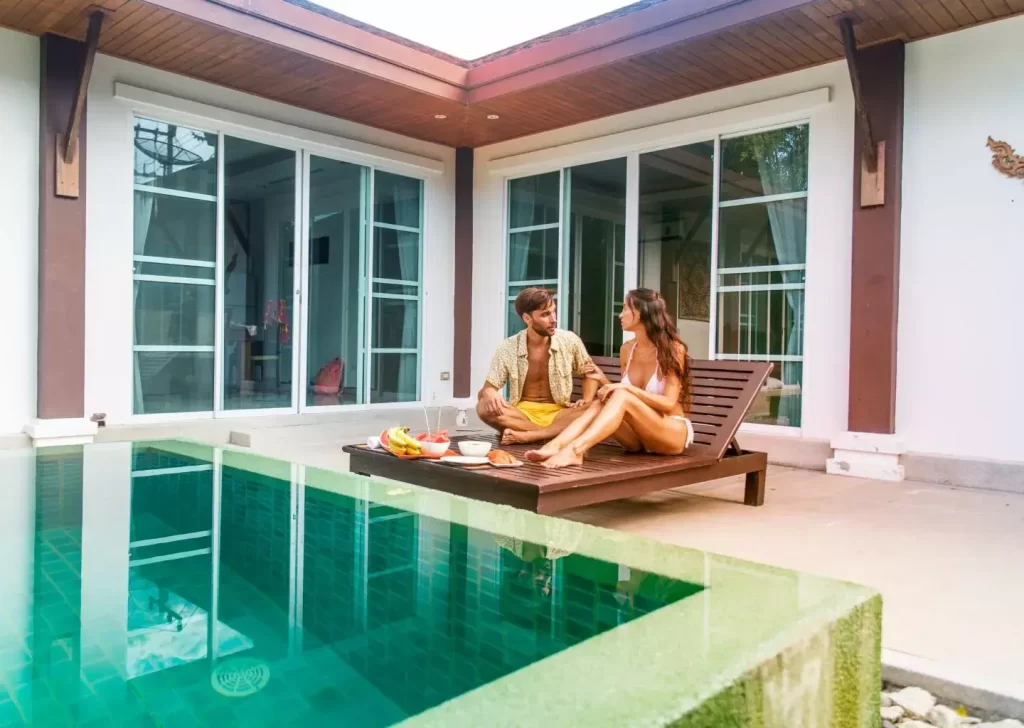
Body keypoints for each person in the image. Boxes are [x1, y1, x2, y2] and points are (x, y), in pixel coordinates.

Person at [525, 288, 694, 469]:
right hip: (639, 440)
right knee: (603, 399)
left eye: (625, 308)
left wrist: (623, 389)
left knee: (619, 394)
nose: (620, 315)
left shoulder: (673, 350)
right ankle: (557, 445)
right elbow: (627, 401)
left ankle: (575, 450)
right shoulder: (627, 350)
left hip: (671, 434)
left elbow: (668, 403)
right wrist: (605, 381)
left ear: (640, 313)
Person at [477, 287, 597, 444]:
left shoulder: (569, 340)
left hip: (560, 413)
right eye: (545, 314)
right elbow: (487, 389)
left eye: (553, 311)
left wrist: (587, 400)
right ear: (527, 318)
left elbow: (590, 373)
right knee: (483, 407)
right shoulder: (508, 347)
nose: (553, 319)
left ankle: (530, 435)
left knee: (595, 407)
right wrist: (489, 392)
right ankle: (550, 435)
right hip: (521, 414)